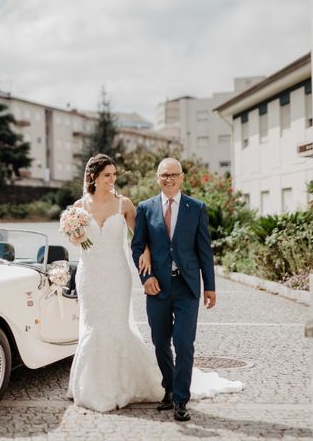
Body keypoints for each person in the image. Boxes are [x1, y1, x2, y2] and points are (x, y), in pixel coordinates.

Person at [67, 154, 164, 412]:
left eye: (114, 174)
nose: (112, 179)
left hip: (117, 275)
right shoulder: (78, 206)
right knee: (93, 327)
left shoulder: (124, 204)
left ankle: (122, 385)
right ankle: (92, 387)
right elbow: (77, 241)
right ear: (93, 178)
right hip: (89, 275)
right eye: (107, 175)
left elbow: (138, 235)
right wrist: (76, 237)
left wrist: (145, 252)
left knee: (116, 325)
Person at [131, 157, 219, 421]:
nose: (168, 179)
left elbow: (205, 251)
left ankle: (181, 399)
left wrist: (210, 287)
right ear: (157, 178)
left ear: (182, 177)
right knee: (160, 342)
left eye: (173, 174)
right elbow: (137, 246)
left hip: (187, 286)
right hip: (157, 286)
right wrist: (145, 278)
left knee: (183, 343)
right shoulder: (145, 208)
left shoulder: (196, 208)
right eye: (163, 175)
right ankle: (169, 388)